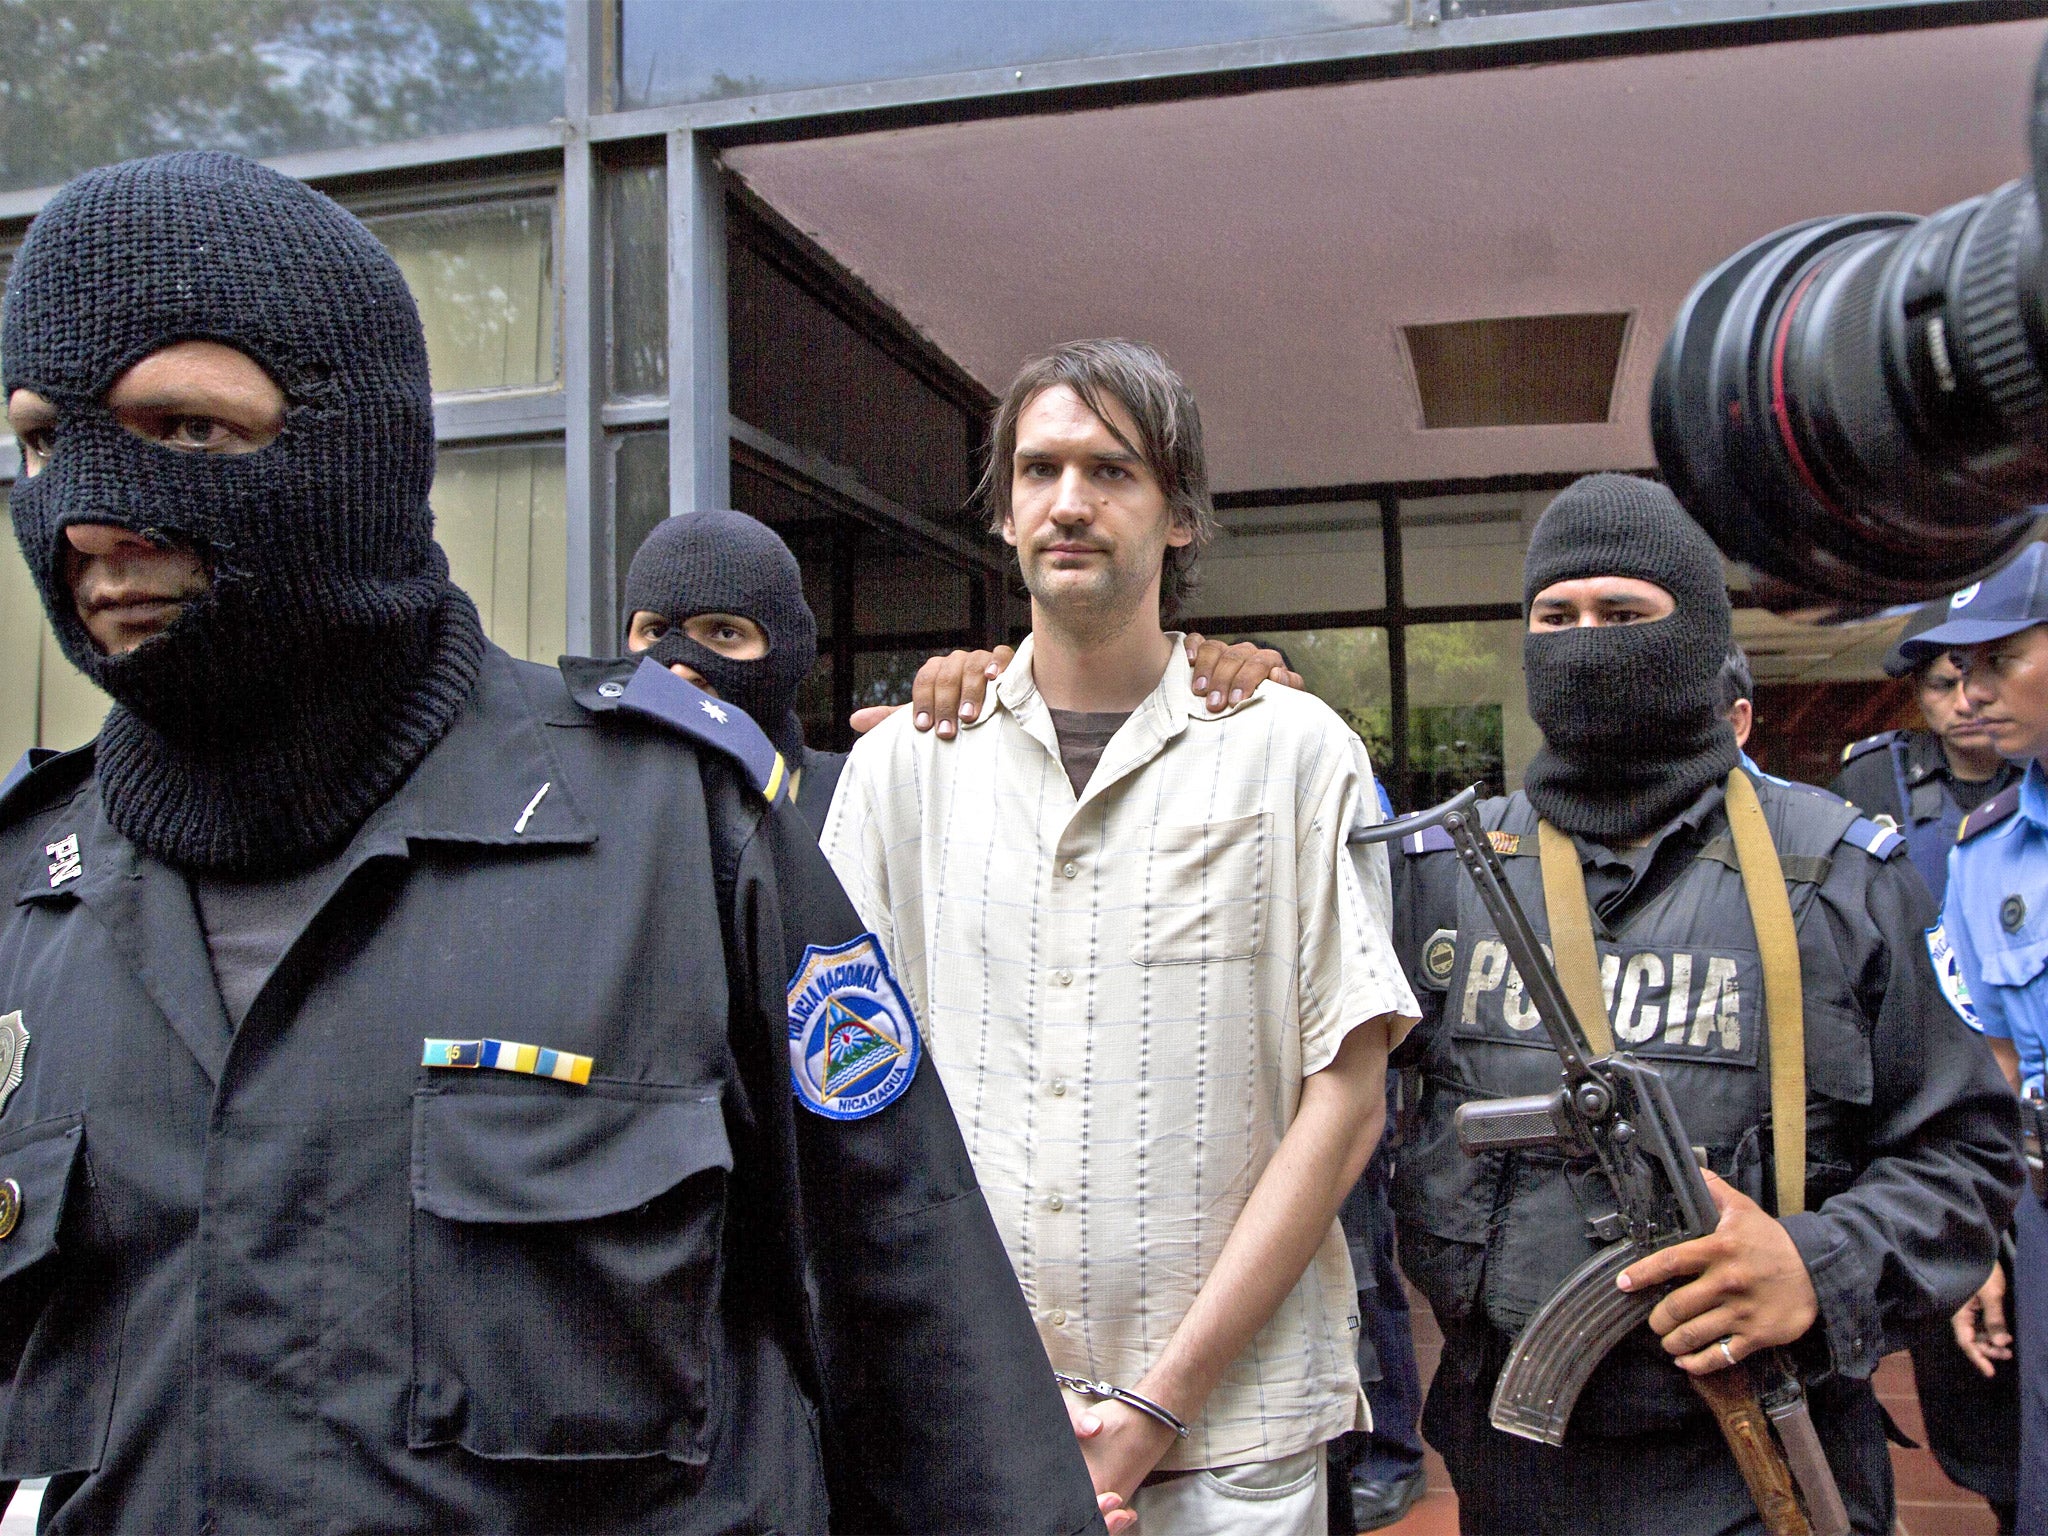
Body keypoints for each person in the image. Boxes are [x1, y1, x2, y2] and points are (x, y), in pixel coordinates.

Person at [0, 151, 1108, 1534]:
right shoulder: (21, 911)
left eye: (187, 432)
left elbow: (931, 1360)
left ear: (366, 445)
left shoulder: (673, 836)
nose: (90, 512)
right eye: (43, 441)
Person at [821, 338, 1419, 1536]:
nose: (1070, 503)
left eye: (1112, 470)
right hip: (965, 1429)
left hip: (1231, 1449)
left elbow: (1345, 1099)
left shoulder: (1295, 756)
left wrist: (1157, 1402)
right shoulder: (904, 770)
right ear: (1000, 513)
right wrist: (979, 1391)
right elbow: (845, 1104)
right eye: (1038, 471)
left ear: (1179, 516)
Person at [1388, 473, 2022, 1535]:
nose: (1585, 641)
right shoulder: (1449, 876)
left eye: (1623, 614)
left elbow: (1965, 1160)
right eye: (1557, 616)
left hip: (1759, 1449)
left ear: (1696, 638)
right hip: (1517, 1463)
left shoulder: (1840, 875)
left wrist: (1818, 1266)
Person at [618, 508, 1302, 837]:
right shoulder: (577, 814)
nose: (681, 668)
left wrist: (976, 736)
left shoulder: (857, 802)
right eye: (653, 633)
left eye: (726, 634)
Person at [1901, 543, 2048, 1536]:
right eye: (1955, 669)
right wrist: (1980, 1244)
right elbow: (1988, 1075)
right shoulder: (1983, 850)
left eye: (1998, 660)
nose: (1970, 689)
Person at [1832, 596, 2020, 905]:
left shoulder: (2041, 766)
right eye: (1943, 685)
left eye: (1977, 679)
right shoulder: (1871, 779)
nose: (1964, 704)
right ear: (1917, 692)